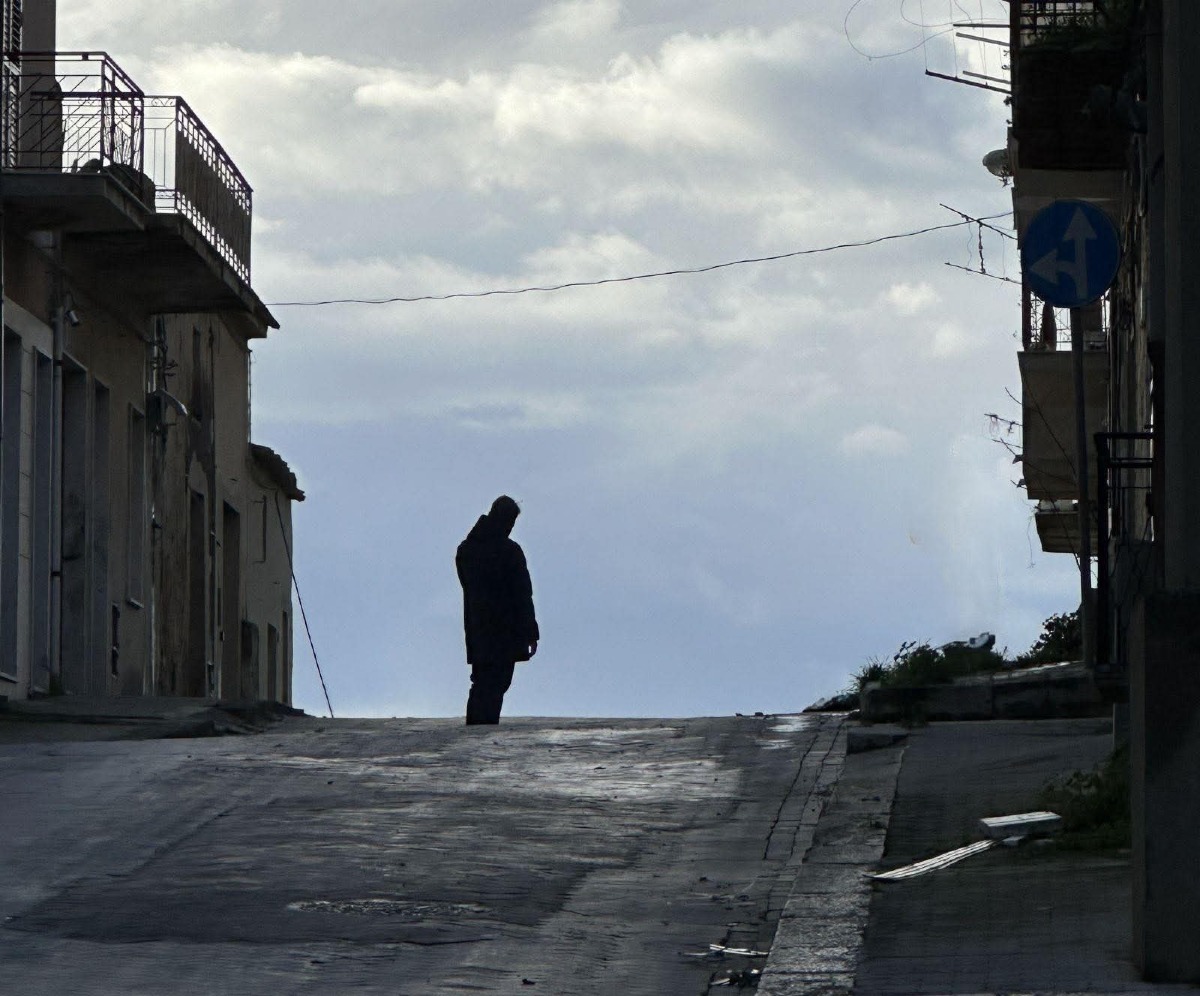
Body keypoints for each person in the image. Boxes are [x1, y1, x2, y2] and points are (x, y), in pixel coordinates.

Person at [455, 495, 539, 725]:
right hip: (503, 633)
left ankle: (477, 727)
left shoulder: (468, 550)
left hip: (480, 630)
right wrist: (531, 632)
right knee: (495, 682)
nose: (510, 528)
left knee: (483, 683)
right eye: (510, 522)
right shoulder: (509, 552)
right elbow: (523, 595)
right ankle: (482, 728)